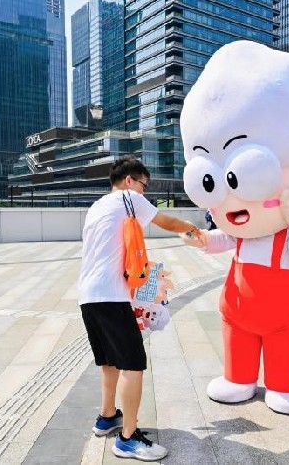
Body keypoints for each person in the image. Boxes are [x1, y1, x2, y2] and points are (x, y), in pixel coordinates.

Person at [78, 155, 201, 461]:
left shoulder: (96, 207)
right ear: (129, 181)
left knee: (109, 361)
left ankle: (107, 416)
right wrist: (191, 228)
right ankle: (128, 438)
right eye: (144, 185)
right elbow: (166, 221)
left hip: (88, 295)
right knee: (133, 364)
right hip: (110, 296)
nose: (145, 192)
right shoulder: (129, 197)